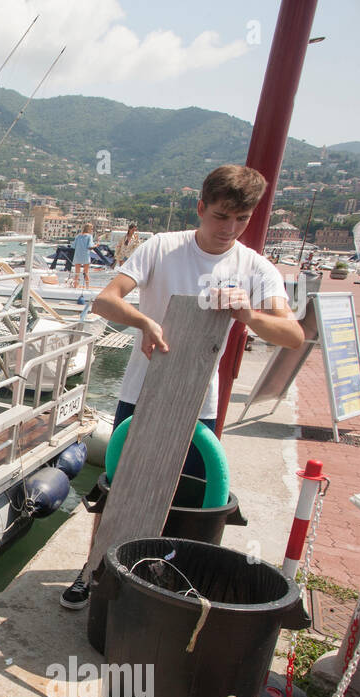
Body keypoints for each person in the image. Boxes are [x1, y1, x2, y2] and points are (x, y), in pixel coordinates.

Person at [60, 164, 305, 610]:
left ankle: (157, 575)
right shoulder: (161, 248)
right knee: (119, 487)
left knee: (183, 497)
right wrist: (143, 321)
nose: (229, 229)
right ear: (201, 208)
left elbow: (292, 336)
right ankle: (93, 568)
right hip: (142, 393)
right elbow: (104, 300)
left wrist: (249, 315)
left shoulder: (256, 268)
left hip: (199, 403)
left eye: (241, 220)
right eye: (220, 216)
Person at [71, 223, 95, 288]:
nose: (92, 230)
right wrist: (96, 245)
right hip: (85, 256)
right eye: (92, 229)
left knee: (77, 273)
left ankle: (75, 286)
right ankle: (87, 286)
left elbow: (73, 246)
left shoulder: (78, 236)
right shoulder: (89, 236)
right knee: (86, 272)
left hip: (77, 255)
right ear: (89, 229)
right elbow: (90, 246)